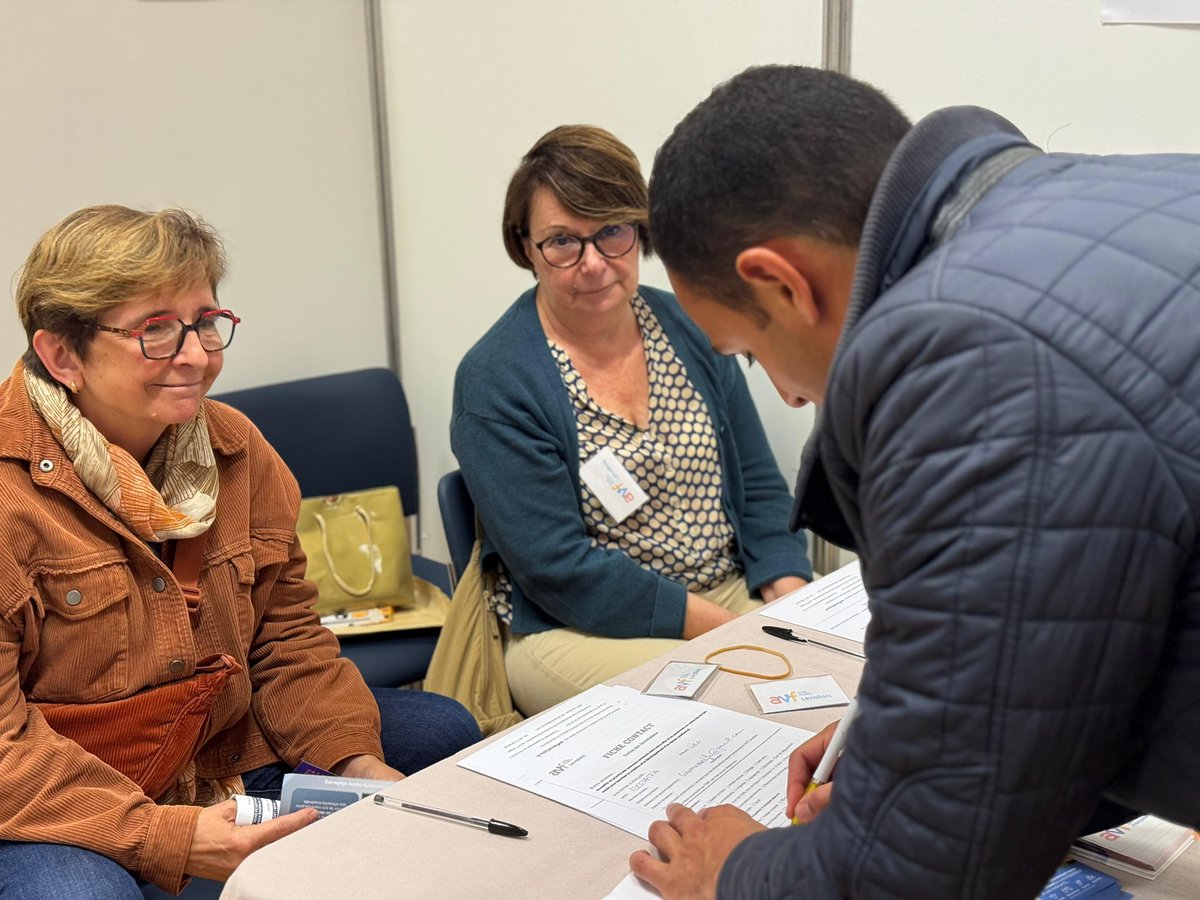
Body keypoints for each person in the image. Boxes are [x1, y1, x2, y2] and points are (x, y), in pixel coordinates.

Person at [630, 65, 1200, 899]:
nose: (787, 395)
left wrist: (735, 872)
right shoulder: (1097, 201)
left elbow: (919, 875)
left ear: (781, 283)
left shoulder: (965, 355)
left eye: (749, 353)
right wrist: (907, 746)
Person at [0, 206, 482, 898]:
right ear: (61, 356)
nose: (197, 355)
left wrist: (351, 763)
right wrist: (169, 836)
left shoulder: (237, 448)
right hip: (58, 796)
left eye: (204, 322)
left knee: (440, 733)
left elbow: (286, 644)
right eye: (157, 331)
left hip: (217, 746)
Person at [452, 125, 812, 715]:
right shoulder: (497, 379)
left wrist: (788, 601)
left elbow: (761, 488)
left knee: (839, 672)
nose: (593, 264)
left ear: (639, 232)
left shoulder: (688, 324)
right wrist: (728, 632)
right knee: (728, 707)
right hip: (578, 631)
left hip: (726, 592)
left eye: (611, 234)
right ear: (526, 247)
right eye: (563, 242)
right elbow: (559, 570)